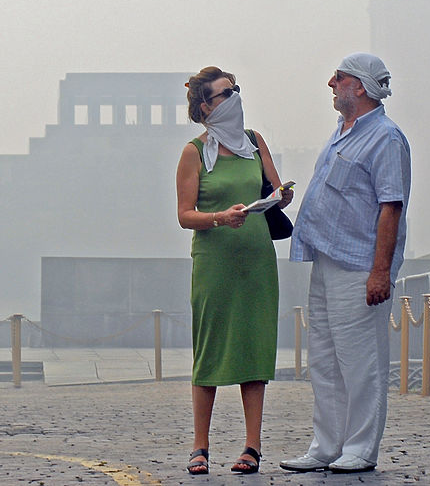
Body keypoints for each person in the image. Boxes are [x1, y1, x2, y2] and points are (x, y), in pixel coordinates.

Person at [281, 53, 411, 475]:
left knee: (360, 361)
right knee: (325, 359)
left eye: (339, 78)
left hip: (359, 267)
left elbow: (390, 207)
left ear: (360, 85)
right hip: (326, 261)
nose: (331, 83)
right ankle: (326, 444)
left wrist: (380, 272)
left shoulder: (386, 138)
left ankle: (360, 447)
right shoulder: (342, 132)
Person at [175, 66, 293, 476]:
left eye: (236, 90)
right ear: (207, 105)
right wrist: (221, 218)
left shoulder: (255, 143)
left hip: (256, 259)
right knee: (209, 348)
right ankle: (200, 446)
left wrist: (281, 196)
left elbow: (276, 192)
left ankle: (252, 446)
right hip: (215, 263)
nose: (236, 97)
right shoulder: (194, 152)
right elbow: (185, 215)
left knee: (253, 346)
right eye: (227, 93)